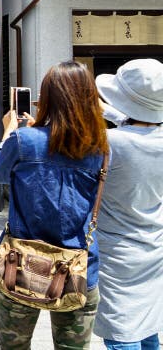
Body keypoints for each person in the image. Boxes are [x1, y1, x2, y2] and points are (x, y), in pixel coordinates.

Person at [0, 61, 109, 349]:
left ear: (47, 98)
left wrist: (9, 132)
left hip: (21, 263)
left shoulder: (23, 139)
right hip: (78, 265)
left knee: (12, 346)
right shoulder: (100, 148)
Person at [93, 59, 163, 350]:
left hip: (117, 251)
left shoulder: (109, 143)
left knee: (122, 333)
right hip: (154, 246)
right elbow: (139, 130)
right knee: (147, 327)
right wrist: (110, 113)